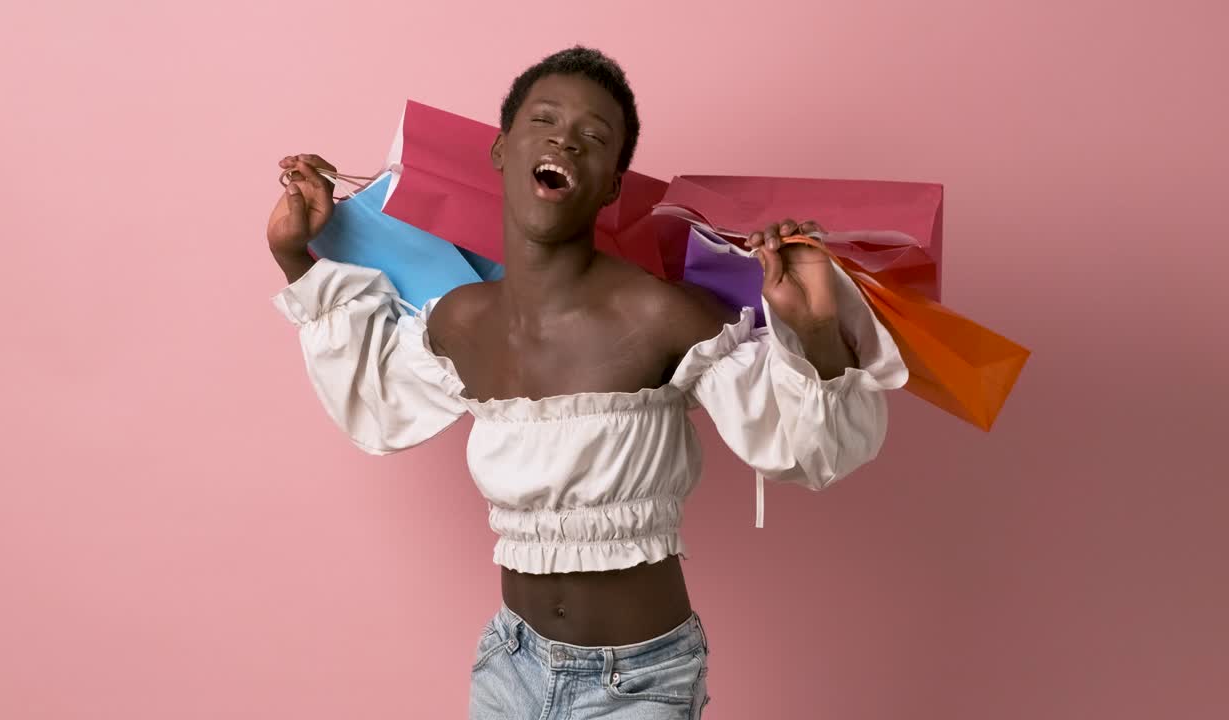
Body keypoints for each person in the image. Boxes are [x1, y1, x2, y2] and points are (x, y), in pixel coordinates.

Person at [266, 46, 907, 719]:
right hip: (508, 665)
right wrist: (293, 255)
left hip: (638, 685)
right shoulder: (461, 320)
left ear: (611, 187)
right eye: (544, 120)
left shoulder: (659, 313)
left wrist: (815, 330)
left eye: (594, 137)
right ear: (501, 151)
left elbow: (813, 450)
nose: (565, 140)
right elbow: (374, 403)